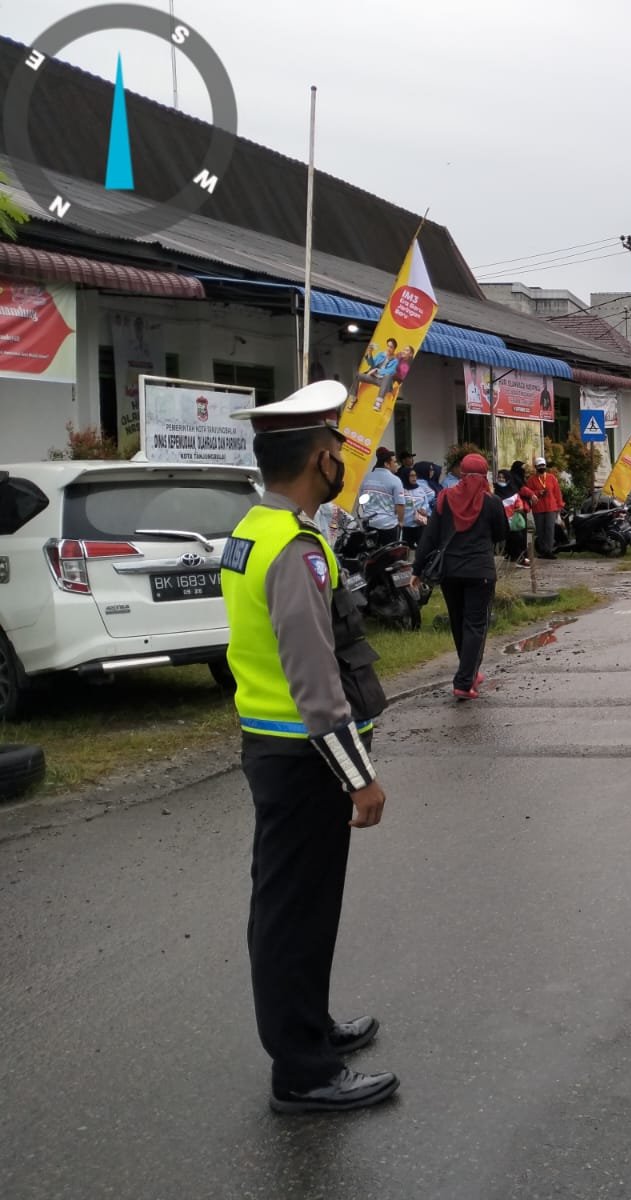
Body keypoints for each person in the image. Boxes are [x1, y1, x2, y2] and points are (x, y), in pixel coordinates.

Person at [220, 381, 398, 1115]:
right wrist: (360, 778)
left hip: (275, 747)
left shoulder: (254, 530)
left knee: (298, 905)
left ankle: (309, 1027)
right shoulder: (294, 549)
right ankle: (301, 1071)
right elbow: (314, 678)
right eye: (339, 454)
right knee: (296, 912)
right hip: (303, 757)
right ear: (321, 458)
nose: (344, 465)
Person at [416, 453, 509, 701]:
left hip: (450, 573)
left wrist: (416, 570)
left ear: (463, 474)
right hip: (480, 573)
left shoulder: (444, 499)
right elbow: (501, 534)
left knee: (459, 623)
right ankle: (464, 682)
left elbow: (430, 537)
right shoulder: (492, 502)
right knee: (476, 625)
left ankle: (469, 672)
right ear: (484, 475)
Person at [359, 448, 406, 546]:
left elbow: (361, 499)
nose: (397, 464)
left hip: (369, 524)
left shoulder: (367, 477)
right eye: (395, 462)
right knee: (389, 557)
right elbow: (400, 505)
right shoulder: (395, 480)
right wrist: (401, 521)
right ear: (386, 464)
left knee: (371, 555)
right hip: (388, 526)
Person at [527, 457, 564, 560]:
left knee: (549, 529)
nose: (542, 467)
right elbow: (528, 492)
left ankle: (549, 550)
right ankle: (543, 551)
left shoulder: (551, 478)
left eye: (543, 465)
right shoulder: (531, 480)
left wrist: (559, 505)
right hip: (538, 508)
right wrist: (538, 492)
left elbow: (557, 492)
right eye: (539, 466)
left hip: (551, 508)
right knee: (540, 530)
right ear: (536, 467)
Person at [399, 468, 432, 549]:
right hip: (406, 526)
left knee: (420, 548)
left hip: (419, 524)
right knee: (405, 549)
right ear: (406, 476)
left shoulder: (420, 489)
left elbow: (426, 502)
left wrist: (424, 508)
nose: (414, 478)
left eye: (415, 475)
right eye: (411, 476)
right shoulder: (400, 490)